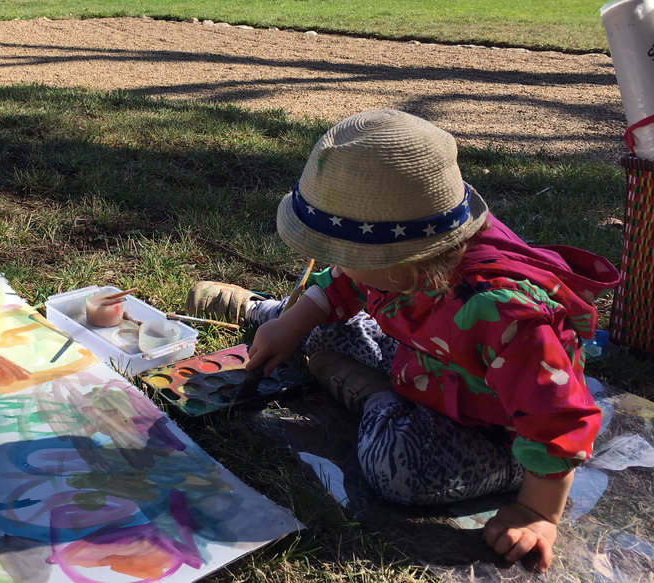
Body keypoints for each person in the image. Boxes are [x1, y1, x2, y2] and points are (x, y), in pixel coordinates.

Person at [186, 109, 620, 572]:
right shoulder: (399, 263)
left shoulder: (508, 318)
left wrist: (537, 511)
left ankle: (376, 399)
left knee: (397, 468)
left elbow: (558, 420)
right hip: (423, 361)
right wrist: (291, 325)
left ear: (405, 257)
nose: (336, 264)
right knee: (313, 321)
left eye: (345, 255)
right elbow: (345, 282)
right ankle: (269, 313)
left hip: (497, 432)